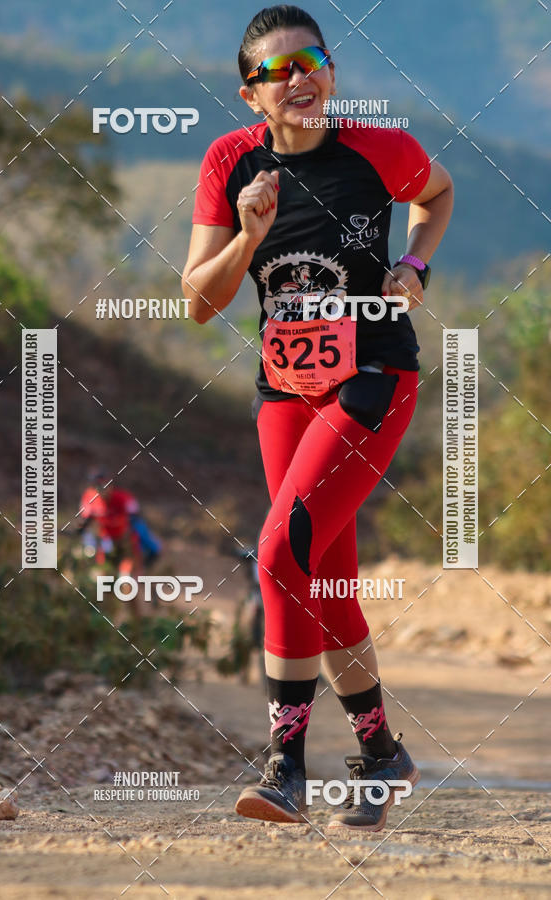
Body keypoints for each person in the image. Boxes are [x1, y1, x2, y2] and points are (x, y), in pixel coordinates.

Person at [182, 4, 453, 831]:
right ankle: (380, 756)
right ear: (248, 94)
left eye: (314, 61)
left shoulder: (379, 149)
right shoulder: (230, 163)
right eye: (279, 71)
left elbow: (437, 194)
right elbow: (199, 301)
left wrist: (413, 264)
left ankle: (284, 770)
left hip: (374, 377)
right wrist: (248, 232)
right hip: (284, 391)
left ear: (331, 71)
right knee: (320, 572)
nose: (300, 78)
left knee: (276, 555)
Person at [79, 470, 162, 613]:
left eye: (105, 486)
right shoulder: (89, 499)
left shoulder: (123, 499)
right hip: (106, 546)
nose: (102, 491)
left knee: (128, 584)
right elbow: (84, 525)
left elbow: (136, 522)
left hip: (127, 545)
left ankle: (138, 622)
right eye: (97, 487)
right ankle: (108, 621)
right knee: (102, 583)